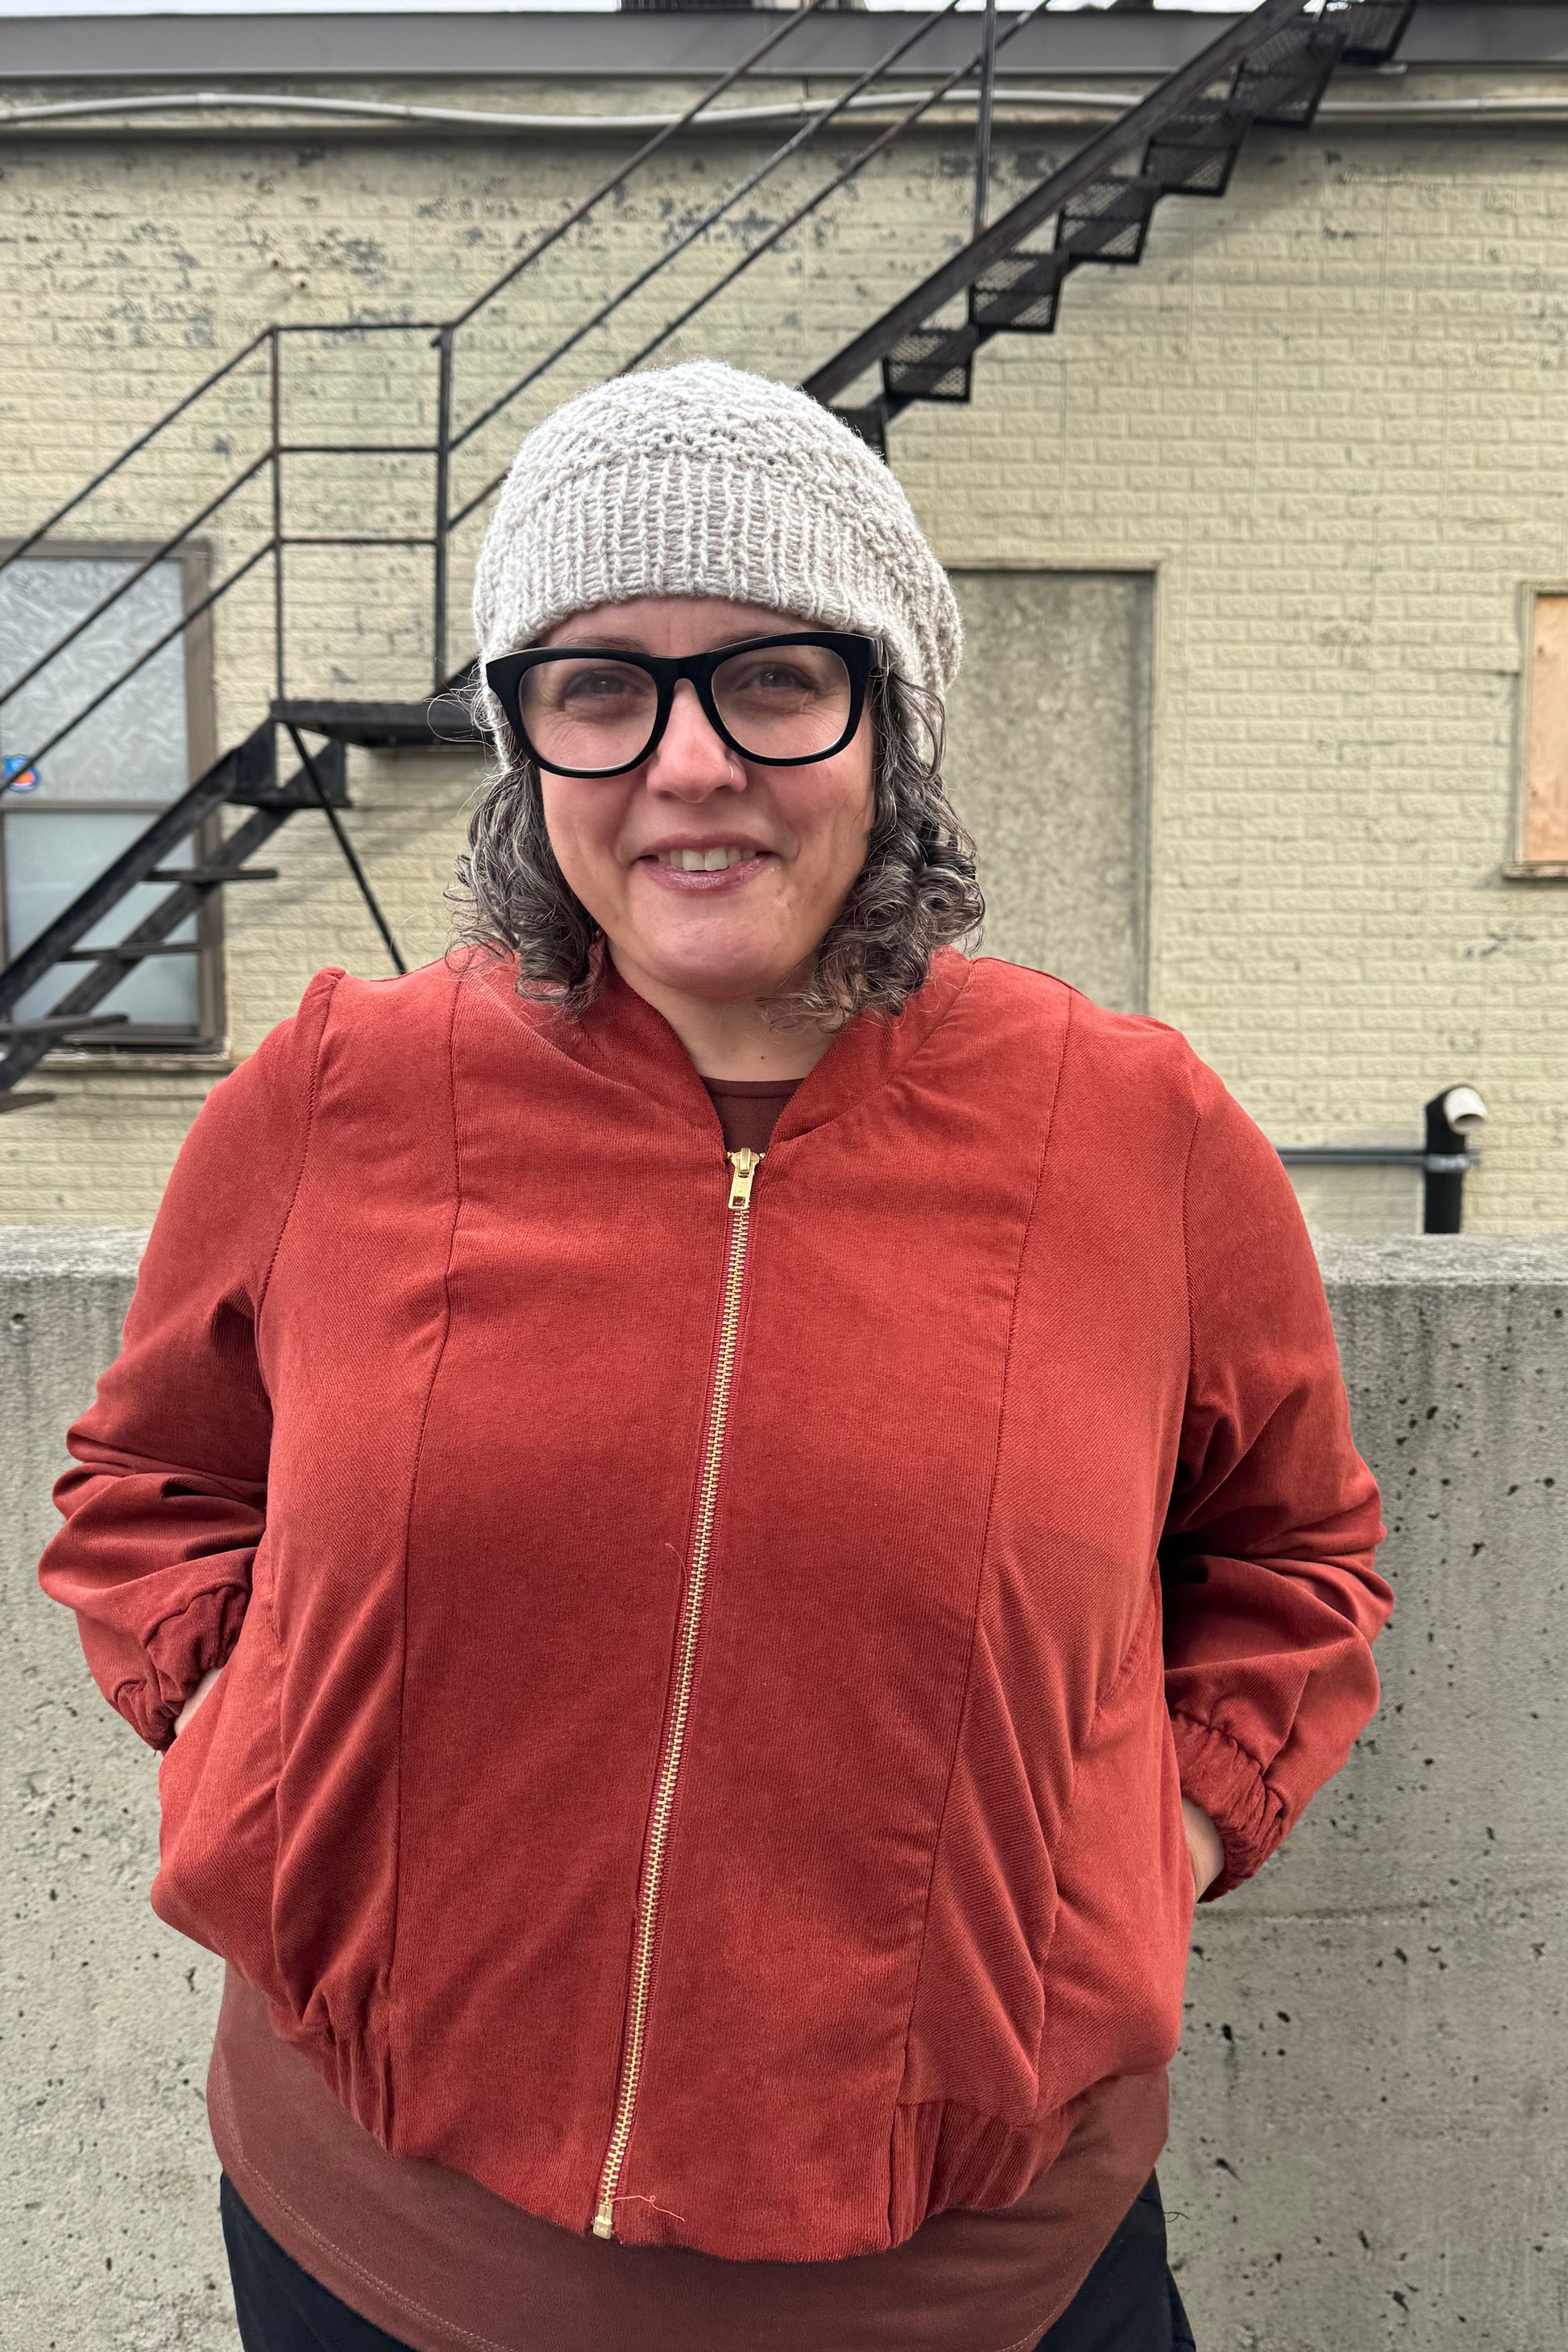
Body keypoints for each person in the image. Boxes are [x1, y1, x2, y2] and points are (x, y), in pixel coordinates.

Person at [39, 361, 1392, 2352]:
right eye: (597, 686)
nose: (688, 762)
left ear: (890, 719)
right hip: (377, 2257)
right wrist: (284, 1752)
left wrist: (1133, 1847)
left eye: (771, 676)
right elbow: (148, 1490)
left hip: (990, 2280)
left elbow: (1289, 1563)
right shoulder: (340, 1089)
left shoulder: (1135, 1131)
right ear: (523, 742)